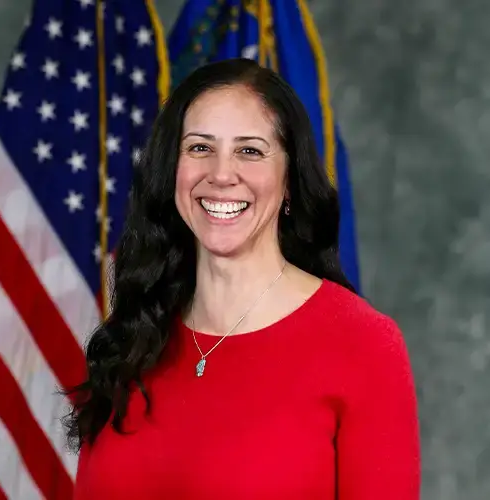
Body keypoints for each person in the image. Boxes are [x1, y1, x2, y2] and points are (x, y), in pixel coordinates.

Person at [67, 58, 420, 499]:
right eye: (199, 148)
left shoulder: (364, 345)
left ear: (289, 181)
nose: (220, 174)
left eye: (249, 151)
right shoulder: (132, 334)